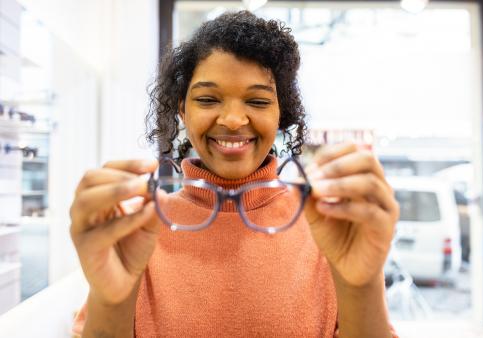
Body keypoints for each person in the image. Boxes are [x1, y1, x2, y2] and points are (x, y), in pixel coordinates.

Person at [70, 11, 400, 338]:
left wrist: (362, 284)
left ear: (279, 114)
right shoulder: (140, 230)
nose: (231, 119)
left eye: (257, 101)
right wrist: (111, 301)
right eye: (208, 99)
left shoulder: (327, 228)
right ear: (183, 110)